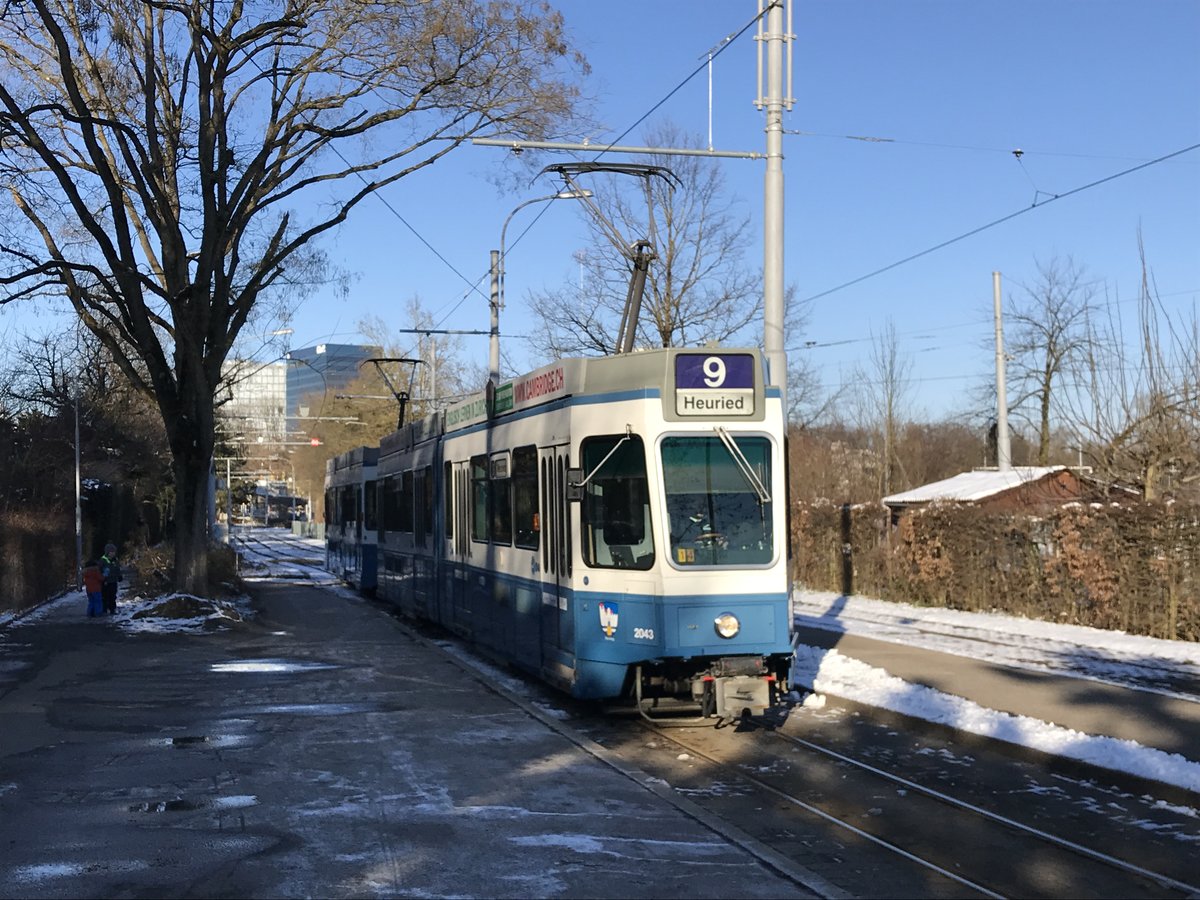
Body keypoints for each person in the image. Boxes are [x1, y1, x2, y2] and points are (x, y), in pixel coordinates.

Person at [99, 542, 122, 615]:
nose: (113, 554)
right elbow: (99, 570)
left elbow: (117, 569)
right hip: (105, 581)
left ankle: (112, 609)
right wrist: (102, 579)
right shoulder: (103, 560)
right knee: (105, 596)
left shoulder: (115, 560)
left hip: (113, 581)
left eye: (114, 552)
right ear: (107, 552)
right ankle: (104, 609)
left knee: (113, 596)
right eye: (111, 552)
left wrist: (119, 576)